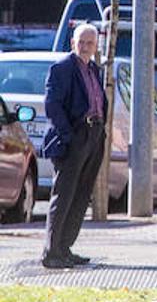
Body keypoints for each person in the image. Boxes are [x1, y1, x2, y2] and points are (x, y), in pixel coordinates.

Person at [40, 23, 107, 269]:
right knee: (64, 194)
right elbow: (52, 105)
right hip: (73, 138)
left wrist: (101, 133)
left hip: (94, 135)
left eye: (90, 42)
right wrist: (68, 136)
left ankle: (65, 248)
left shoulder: (93, 69)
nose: (85, 46)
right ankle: (51, 252)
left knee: (81, 195)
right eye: (81, 42)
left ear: (96, 45)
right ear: (72, 43)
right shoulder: (62, 68)